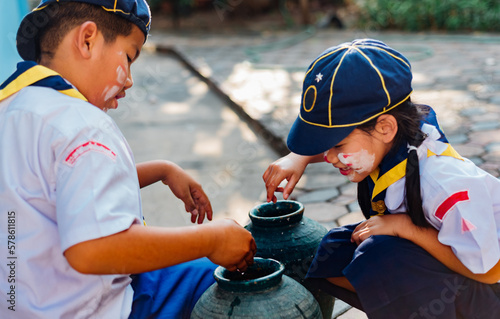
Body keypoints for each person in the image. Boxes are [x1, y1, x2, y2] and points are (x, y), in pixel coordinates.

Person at [0, 1, 256, 318]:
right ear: (88, 40)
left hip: (23, 306)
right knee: (221, 280)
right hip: (98, 309)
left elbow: (56, 189)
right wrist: (212, 239)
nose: (129, 80)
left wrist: (161, 170)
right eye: (129, 57)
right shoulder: (82, 124)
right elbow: (93, 248)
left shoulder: (15, 110)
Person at [263, 39, 500, 318]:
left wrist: (405, 227)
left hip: (487, 293)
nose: (329, 157)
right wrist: (299, 157)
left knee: (378, 256)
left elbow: (490, 271)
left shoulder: (443, 185)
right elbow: (354, 146)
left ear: (385, 127)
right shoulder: (396, 138)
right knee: (334, 250)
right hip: (444, 262)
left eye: (337, 146)